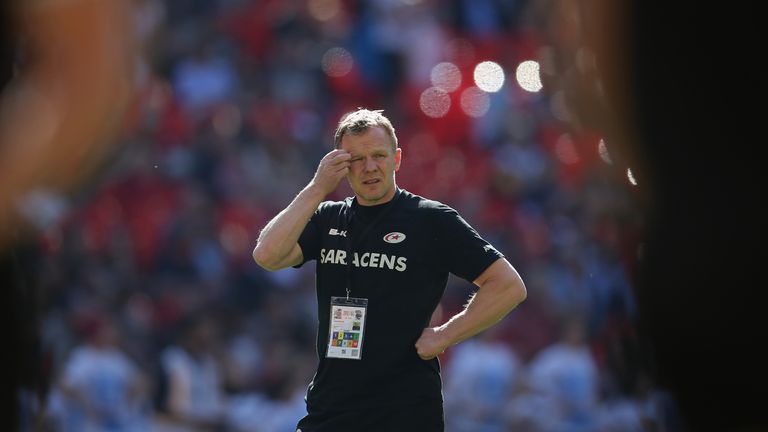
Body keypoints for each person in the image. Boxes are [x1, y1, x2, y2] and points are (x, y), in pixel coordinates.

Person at [252, 108, 527, 431]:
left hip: (405, 412)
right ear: (340, 164)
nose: (369, 167)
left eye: (379, 156)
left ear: (396, 159)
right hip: (332, 408)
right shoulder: (328, 218)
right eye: (356, 159)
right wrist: (316, 188)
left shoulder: (430, 219)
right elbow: (267, 255)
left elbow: (508, 285)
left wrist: (445, 335)